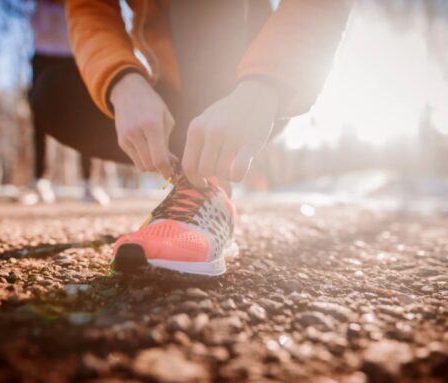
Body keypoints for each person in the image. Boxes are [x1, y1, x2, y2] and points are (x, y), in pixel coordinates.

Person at [42, 0, 353, 275]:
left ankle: (212, 190)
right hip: (168, 96)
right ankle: (189, 182)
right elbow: (88, 6)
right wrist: (120, 81)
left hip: (252, 94)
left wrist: (265, 84)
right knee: (51, 92)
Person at [21, 0, 111, 205]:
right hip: (42, 55)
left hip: (76, 55)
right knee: (39, 120)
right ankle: (40, 181)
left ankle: (90, 183)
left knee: (87, 120)